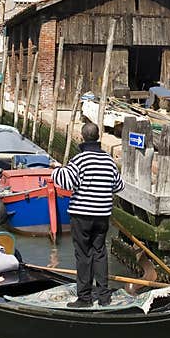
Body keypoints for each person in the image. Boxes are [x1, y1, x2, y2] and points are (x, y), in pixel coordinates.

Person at [51, 122, 124, 308]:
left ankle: (84, 298)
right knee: (99, 253)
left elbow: (65, 182)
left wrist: (56, 170)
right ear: (97, 137)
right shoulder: (108, 160)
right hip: (102, 216)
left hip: (81, 216)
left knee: (83, 255)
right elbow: (119, 186)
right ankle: (104, 297)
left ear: (83, 137)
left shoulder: (79, 160)